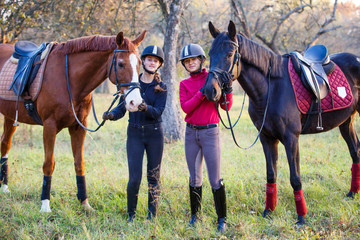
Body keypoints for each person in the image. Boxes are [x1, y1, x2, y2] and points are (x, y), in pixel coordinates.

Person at [103, 45, 167, 222]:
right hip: (135, 134)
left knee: (153, 176)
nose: (152, 63)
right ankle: (131, 215)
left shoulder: (162, 87)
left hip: (155, 134)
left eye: (155, 60)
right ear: (143, 61)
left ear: (159, 64)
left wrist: (145, 107)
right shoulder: (133, 82)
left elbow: (158, 112)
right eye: (149, 59)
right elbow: (123, 107)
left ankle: (151, 216)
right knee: (134, 179)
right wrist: (112, 115)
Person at [178, 43, 233, 233]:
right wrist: (202, 92)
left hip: (210, 133)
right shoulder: (184, 84)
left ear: (201, 60)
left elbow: (226, 107)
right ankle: (195, 216)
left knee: (215, 178)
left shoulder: (213, 77)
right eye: (187, 61)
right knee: (195, 178)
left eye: (193, 59)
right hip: (191, 133)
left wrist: (228, 89)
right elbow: (186, 107)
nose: (191, 63)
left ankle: (222, 219)